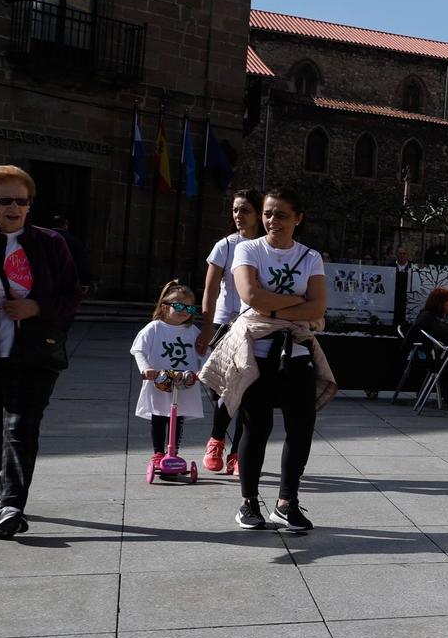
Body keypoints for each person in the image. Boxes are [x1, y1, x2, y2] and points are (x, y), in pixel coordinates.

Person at [225, 187, 330, 534]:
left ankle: (287, 503)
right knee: (256, 428)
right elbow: (249, 295)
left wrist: (271, 306)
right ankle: (249, 502)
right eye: (268, 213)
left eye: (281, 214)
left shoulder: (310, 257)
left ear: (298, 219)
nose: (272, 220)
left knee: (300, 429)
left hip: (296, 353)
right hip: (256, 352)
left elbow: (318, 307)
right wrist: (293, 303)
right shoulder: (248, 249)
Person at [0, 165, 82, 539]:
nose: (14, 207)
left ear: (30, 206)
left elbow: (72, 295)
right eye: (4, 199)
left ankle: (11, 504)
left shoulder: (50, 242)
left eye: (21, 200)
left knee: (20, 429)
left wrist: (36, 308)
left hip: (32, 354)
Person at [197, 187, 264, 473]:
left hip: (255, 325)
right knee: (223, 390)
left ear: (258, 214)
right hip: (226, 325)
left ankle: (237, 452)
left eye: (245, 210)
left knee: (246, 389)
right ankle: (216, 439)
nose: (238, 215)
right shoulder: (225, 245)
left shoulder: (266, 246)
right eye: (235, 209)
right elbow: (210, 291)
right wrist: (206, 327)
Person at [133, 282, 204, 458]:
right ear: (165, 307)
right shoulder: (155, 328)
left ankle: (173, 453)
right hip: (160, 381)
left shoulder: (193, 330)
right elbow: (138, 349)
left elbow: (204, 352)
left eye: (189, 307)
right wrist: (146, 368)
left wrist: (204, 371)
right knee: (159, 417)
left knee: (178, 419)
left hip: (183, 382)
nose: (184, 310)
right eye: (179, 306)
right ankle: (158, 453)